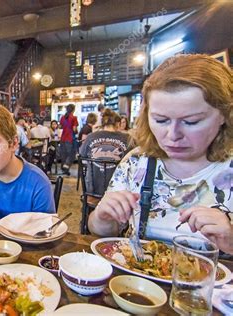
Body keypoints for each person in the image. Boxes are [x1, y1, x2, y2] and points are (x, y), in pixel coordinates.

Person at [88, 54, 232, 254]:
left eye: (191, 122)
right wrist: (101, 217)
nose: (173, 135)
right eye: (161, 120)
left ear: (225, 114)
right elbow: (105, 233)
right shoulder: (136, 161)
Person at [79, 108, 131, 196]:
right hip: (118, 192)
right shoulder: (127, 138)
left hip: (93, 190)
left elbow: (82, 154)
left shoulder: (91, 137)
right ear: (118, 124)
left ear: (102, 124)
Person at [59, 104, 79, 175]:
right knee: (72, 154)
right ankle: (66, 165)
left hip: (63, 138)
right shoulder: (74, 118)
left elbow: (60, 127)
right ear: (73, 110)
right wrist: (77, 132)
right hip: (70, 138)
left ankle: (64, 170)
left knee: (63, 154)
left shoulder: (62, 117)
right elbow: (74, 129)